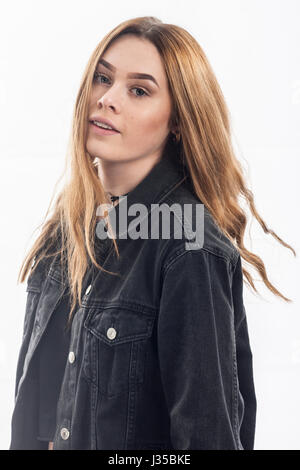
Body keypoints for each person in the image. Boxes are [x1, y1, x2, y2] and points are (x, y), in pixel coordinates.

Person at [9, 16, 295, 451]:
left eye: (138, 90)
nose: (107, 99)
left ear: (178, 121)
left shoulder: (188, 248)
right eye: (102, 78)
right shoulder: (64, 235)